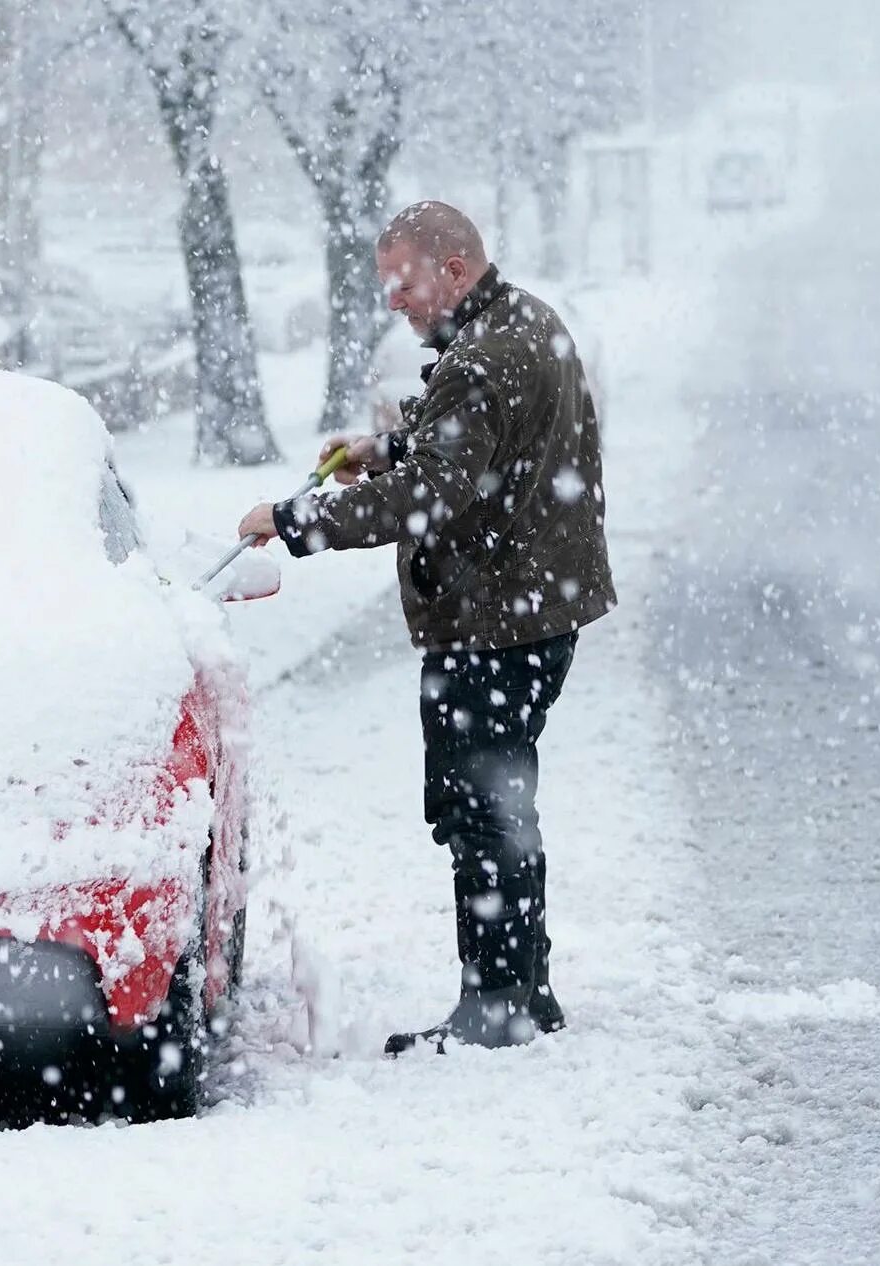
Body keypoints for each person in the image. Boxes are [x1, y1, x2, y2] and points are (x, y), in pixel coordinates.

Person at [234, 201, 616, 1052]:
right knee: (498, 802)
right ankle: (527, 991)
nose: (394, 302)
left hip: (495, 620)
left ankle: (494, 1010)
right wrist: (389, 446)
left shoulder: (482, 359)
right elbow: (473, 450)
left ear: (452, 269)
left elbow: (431, 498)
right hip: (533, 607)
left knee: (481, 812)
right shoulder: (526, 323)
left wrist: (298, 518)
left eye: (402, 283)